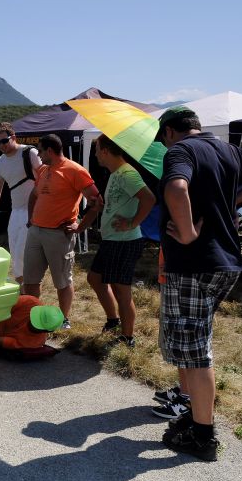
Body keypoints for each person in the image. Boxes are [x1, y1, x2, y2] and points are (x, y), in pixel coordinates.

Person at [154, 106, 242, 461]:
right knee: (195, 341)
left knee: (197, 353)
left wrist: (185, 232)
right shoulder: (229, 150)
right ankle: (195, 415)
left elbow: (177, 186)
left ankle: (203, 435)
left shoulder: (180, 151)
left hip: (194, 264)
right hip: (225, 261)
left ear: (170, 131)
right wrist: (231, 199)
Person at [21, 133, 103, 329]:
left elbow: (97, 202)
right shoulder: (43, 170)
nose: (38, 155)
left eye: (40, 151)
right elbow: (34, 196)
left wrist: (80, 226)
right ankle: (34, 318)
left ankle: (64, 319)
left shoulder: (75, 170)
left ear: (50, 150)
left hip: (58, 235)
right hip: (36, 232)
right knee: (30, 280)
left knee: (62, 280)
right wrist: (30, 220)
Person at [86, 135, 156, 348]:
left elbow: (149, 198)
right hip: (112, 240)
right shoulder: (116, 173)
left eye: (97, 150)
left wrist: (133, 223)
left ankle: (127, 337)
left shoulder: (127, 173)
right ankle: (113, 321)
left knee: (121, 289)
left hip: (124, 241)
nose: (96, 154)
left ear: (106, 151)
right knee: (95, 278)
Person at [0, 122, 42, 283]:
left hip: (34, 212)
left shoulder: (30, 153)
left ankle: (29, 295)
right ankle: (23, 293)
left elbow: (47, 180)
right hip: (16, 213)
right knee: (16, 259)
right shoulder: (0, 163)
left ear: (13, 137)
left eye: (4, 141)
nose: (1, 146)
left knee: (22, 254)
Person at [0, 295, 65, 360]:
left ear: (46, 330)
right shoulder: (30, 302)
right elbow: (0, 305)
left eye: (36, 324)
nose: (32, 322)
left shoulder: (34, 343)